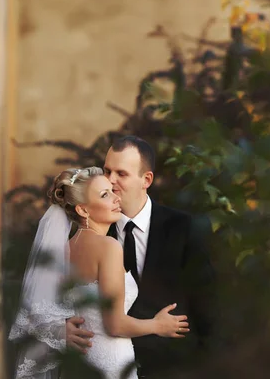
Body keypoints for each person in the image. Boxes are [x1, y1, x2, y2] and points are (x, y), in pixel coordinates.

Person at [9, 166, 189, 379]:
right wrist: (157, 325)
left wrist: (59, 329)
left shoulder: (65, 250)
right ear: (83, 210)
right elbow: (115, 325)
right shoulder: (108, 247)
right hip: (110, 365)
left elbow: (36, 310)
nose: (115, 198)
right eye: (105, 195)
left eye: (112, 190)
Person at [66, 137, 215, 378]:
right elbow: (54, 295)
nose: (111, 180)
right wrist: (59, 328)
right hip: (105, 367)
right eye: (107, 171)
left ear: (146, 180)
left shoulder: (185, 228)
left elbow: (208, 306)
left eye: (121, 174)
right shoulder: (89, 235)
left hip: (173, 369)